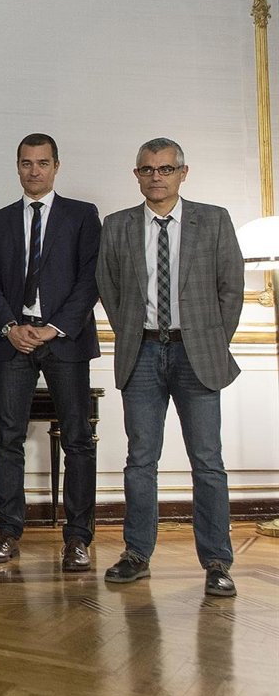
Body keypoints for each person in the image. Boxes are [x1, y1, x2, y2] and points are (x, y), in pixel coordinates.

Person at [97, 138, 243, 597]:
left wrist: (213, 340)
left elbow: (231, 288)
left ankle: (217, 561)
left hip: (195, 353)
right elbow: (108, 284)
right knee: (140, 460)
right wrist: (130, 334)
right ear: (136, 175)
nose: (156, 177)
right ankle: (137, 554)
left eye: (165, 169)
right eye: (147, 169)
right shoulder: (117, 225)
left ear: (183, 172)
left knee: (208, 462)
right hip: (140, 353)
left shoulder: (214, 220)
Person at [0, 134, 101, 571]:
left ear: (56, 166)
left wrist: (53, 328)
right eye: (27, 163)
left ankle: (78, 539)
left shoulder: (83, 215)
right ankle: (8, 533)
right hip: (15, 340)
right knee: (8, 438)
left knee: (78, 440)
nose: (34, 171)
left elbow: (90, 280)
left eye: (43, 163)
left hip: (64, 340)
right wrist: (11, 328)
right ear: (17, 167)